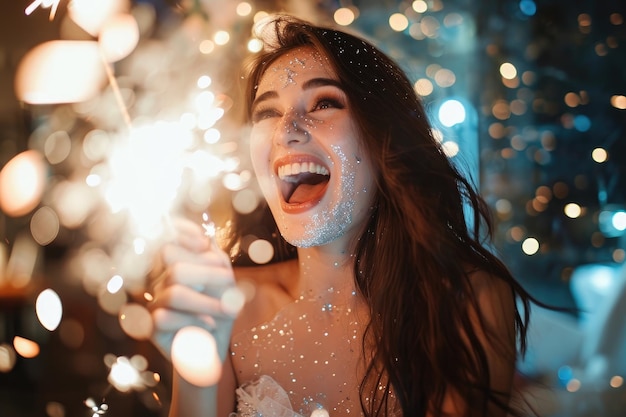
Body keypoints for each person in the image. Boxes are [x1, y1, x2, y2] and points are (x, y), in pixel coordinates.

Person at [147, 14, 535, 417]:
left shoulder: (464, 300)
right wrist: (198, 370)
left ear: (382, 138)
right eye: (267, 113)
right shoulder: (226, 307)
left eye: (324, 103)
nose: (286, 130)